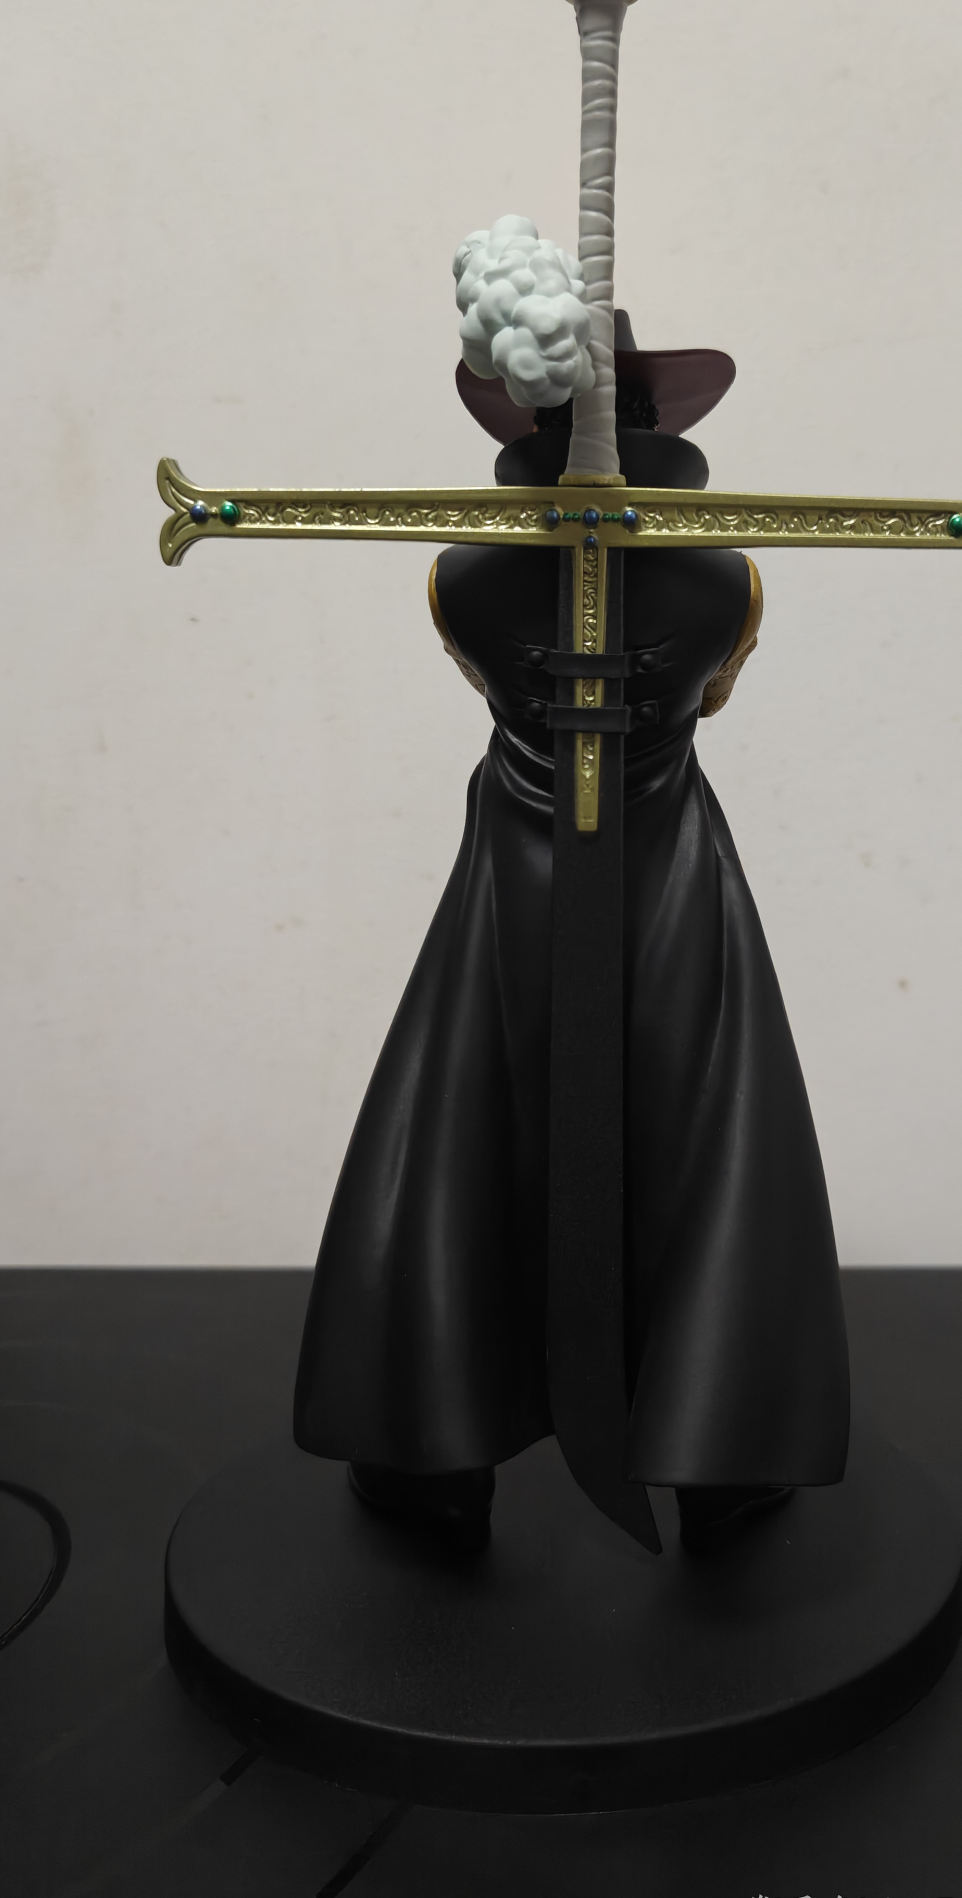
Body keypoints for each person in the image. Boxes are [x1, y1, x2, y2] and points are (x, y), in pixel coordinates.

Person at [293, 338, 850, 1551]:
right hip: (668, 877)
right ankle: (721, 1463)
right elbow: (710, 696)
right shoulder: (730, 578)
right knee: (700, 1123)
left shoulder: (459, 576)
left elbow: (486, 677)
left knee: (467, 1117)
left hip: (518, 875)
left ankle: (436, 1459)